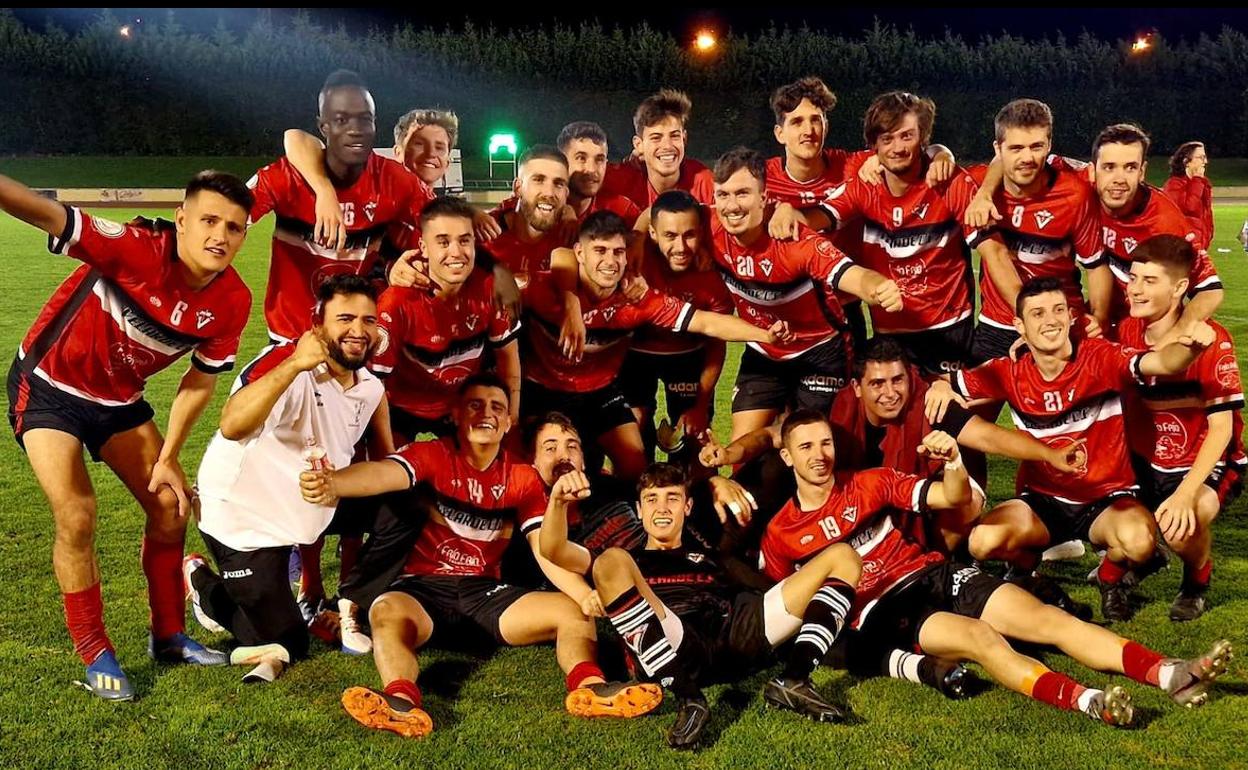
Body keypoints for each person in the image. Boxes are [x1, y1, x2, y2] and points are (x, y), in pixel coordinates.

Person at [767, 410, 1233, 727]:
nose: (819, 454)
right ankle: (1087, 701)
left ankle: (1168, 674)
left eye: (825, 442)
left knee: (1050, 621)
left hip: (936, 574)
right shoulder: (781, 533)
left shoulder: (869, 482)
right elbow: (788, 608)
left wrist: (952, 462)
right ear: (787, 456)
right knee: (983, 640)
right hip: (889, 609)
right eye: (805, 446)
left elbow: (951, 498)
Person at [3, 169, 255, 699]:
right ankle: (95, 649)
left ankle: (169, 637)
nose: (219, 237)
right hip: (49, 388)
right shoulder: (138, 249)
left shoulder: (232, 300)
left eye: (234, 228)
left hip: (119, 402)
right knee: (77, 513)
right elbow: (44, 212)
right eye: (208, 220)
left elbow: (198, 383)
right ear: (181, 221)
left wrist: (168, 456)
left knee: (170, 505)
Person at [299, 373, 662, 738]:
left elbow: (544, 550)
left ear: (507, 423)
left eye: (496, 407)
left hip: (484, 592)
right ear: (455, 414)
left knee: (570, 610)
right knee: (386, 610)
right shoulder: (432, 454)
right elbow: (383, 473)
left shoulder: (523, 479)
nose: (485, 414)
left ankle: (591, 687)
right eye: (475, 405)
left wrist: (582, 595)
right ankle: (401, 700)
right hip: (422, 591)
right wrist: (334, 482)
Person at [930, 277, 1220, 622]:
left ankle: (1110, 577)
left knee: (1140, 541)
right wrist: (939, 386)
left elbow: (1161, 363)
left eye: (1057, 311)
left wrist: (1191, 349)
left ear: (1071, 317)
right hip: (1044, 501)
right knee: (981, 542)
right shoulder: (1007, 372)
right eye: (1037, 313)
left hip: (1106, 498)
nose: (1050, 320)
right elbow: (948, 383)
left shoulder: (1099, 359)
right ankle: (1026, 573)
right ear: (1019, 325)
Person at [540, 462, 864, 748]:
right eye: (652, 500)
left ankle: (795, 679)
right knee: (610, 561)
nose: (662, 508)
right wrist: (556, 502)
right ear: (639, 510)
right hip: (676, 644)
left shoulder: (708, 551)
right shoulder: (631, 560)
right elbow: (553, 549)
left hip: (733, 634)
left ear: (688, 506)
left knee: (844, 557)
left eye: (673, 498)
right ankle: (689, 699)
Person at [188, 275, 389, 678]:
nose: (359, 330)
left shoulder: (370, 388)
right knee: (287, 643)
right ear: (317, 328)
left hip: (310, 506)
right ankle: (202, 582)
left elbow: (386, 462)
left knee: (407, 504)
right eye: (345, 318)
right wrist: (296, 362)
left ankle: (348, 603)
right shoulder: (286, 364)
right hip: (245, 520)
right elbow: (232, 425)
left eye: (369, 321)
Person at [521, 210, 794, 480]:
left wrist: (764, 334)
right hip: (544, 391)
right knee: (538, 466)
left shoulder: (637, 299)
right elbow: (501, 288)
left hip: (598, 393)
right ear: (579, 253)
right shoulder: (544, 289)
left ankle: (630, 518)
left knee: (634, 464)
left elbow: (706, 322)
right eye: (600, 251)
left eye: (617, 252)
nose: (610, 261)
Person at [705, 147, 902, 441]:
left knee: (815, 444)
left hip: (819, 351)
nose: (731, 206)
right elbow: (656, 215)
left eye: (742, 193)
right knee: (742, 448)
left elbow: (851, 275)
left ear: (764, 198)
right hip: (765, 350)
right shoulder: (709, 227)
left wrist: (878, 287)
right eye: (723, 195)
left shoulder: (795, 241)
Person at [246, 69, 431, 344]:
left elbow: (443, 230)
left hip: (357, 340)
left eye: (364, 119)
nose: (355, 129)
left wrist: (396, 268)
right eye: (342, 119)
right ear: (324, 127)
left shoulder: (397, 181)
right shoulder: (288, 177)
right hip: (292, 339)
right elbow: (229, 214)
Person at [1120, 235, 1244, 620]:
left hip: (1204, 464)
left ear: (1179, 288)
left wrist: (1185, 493)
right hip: (1146, 462)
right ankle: (1140, 560)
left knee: (1179, 526)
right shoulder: (1125, 332)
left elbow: (1222, 430)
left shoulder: (1212, 340)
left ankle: (1196, 579)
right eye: (1134, 277)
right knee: (1117, 527)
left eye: (1150, 281)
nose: (1136, 289)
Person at [600, 89, 715, 208]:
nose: (667, 146)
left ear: (684, 139)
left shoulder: (703, 182)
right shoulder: (618, 181)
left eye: (675, 136)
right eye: (656, 138)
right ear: (639, 145)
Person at [1162, 141, 1214, 252]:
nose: (1205, 161)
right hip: (1182, 248)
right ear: (1186, 161)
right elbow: (1190, 208)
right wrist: (1197, 180)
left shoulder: (1202, 184)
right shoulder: (1173, 185)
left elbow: (1206, 216)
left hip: (1199, 246)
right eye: (1201, 157)